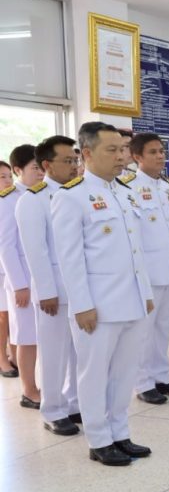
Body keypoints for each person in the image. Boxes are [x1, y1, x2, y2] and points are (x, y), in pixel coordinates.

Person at [52, 121, 155, 466]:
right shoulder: (71, 197)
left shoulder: (124, 192)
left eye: (123, 149)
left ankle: (120, 433)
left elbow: (136, 252)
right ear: (87, 153)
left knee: (124, 373)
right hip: (98, 305)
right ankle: (99, 440)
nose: (121, 156)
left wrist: (145, 293)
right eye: (112, 150)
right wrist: (82, 305)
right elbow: (70, 259)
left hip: (132, 301)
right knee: (94, 375)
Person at [16, 137, 83, 435]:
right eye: (67, 161)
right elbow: (36, 250)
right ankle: (53, 409)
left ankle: (74, 403)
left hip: (81, 289)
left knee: (80, 352)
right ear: (47, 165)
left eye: (75, 160)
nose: (74, 165)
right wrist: (46, 291)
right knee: (54, 353)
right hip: (54, 290)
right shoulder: (33, 200)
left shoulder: (79, 193)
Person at [126, 133, 169, 405]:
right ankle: (143, 383)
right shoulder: (129, 188)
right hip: (148, 273)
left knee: (163, 328)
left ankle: (161, 376)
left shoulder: (167, 187)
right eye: (152, 152)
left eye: (161, 151)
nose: (160, 156)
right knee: (143, 331)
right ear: (137, 157)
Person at [1, 145, 43, 408]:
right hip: (24, 280)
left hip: (44, 278)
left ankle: (43, 385)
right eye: (35, 168)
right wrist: (19, 285)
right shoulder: (8, 200)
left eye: (42, 167)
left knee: (43, 337)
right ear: (18, 170)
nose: (40, 172)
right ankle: (28, 390)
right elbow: (6, 246)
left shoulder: (45, 194)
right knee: (27, 336)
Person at [0, 161, 16, 377]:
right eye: (2, 177)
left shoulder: (14, 201)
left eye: (9, 176)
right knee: (2, 316)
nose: (8, 180)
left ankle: (14, 355)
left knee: (12, 315)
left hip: (11, 267)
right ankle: (2, 359)